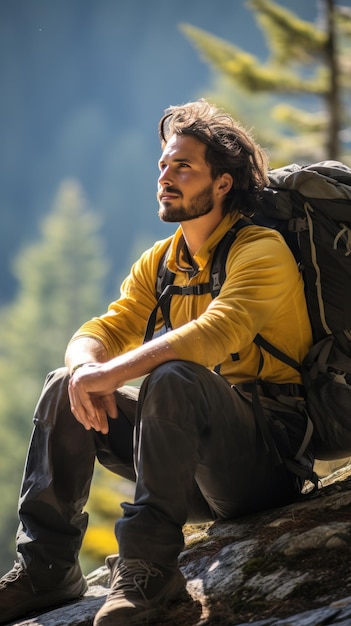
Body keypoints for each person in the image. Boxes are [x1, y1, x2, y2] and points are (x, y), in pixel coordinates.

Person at [0, 99, 314, 626]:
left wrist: (109, 375)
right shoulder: (164, 262)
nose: (166, 176)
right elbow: (99, 331)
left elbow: (217, 332)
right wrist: (84, 371)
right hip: (189, 463)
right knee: (61, 384)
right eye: (164, 165)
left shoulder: (261, 251)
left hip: (267, 461)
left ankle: (153, 577)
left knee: (174, 376)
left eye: (184, 167)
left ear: (223, 185)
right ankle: (46, 569)